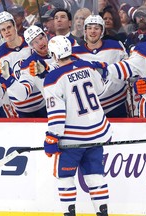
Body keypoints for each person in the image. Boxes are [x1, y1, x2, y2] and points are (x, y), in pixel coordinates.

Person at [43, 35, 111, 216]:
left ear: (54, 54)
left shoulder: (51, 79)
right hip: (97, 134)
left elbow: (56, 113)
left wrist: (52, 137)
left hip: (72, 140)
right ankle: (102, 213)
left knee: (65, 178)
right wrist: (103, 72)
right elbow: (101, 90)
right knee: (95, 176)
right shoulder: (87, 66)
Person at [72, 14, 129, 117]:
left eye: (96, 28)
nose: (92, 31)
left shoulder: (115, 46)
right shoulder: (75, 53)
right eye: (89, 28)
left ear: (102, 31)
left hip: (116, 104)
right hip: (90, 108)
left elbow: (127, 68)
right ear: (85, 31)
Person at [0, 11, 33, 117]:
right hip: (20, 110)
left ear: (15, 26)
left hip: (42, 103)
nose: (7, 32)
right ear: (0, 33)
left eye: (9, 27)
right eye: (3, 30)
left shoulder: (31, 43)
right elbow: (0, 92)